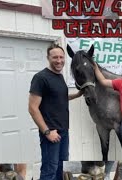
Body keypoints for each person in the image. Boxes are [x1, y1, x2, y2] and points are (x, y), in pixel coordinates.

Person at [28, 43, 83, 180]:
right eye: (55, 57)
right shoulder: (41, 78)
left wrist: (77, 94)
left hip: (63, 131)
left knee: (61, 167)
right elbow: (32, 108)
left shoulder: (59, 76)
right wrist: (47, 132)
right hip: (51, 132)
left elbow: (60, 98)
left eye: (61, 57)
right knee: (49, 170)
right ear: (48, 58)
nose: (59, 61)